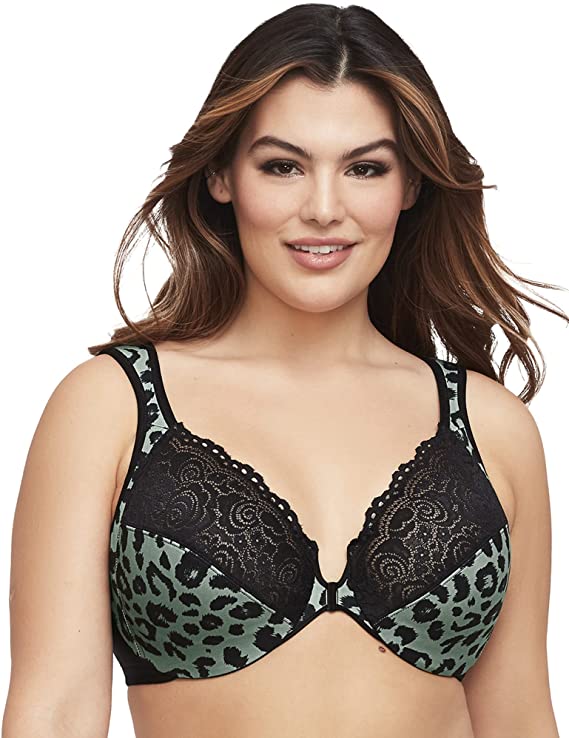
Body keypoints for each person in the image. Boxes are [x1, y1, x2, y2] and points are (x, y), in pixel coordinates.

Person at [3, 4, 565, 737]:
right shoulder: (110, 409)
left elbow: (519, 718)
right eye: (282, 166)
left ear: (410, 186)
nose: (323, 209)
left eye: (364, 168)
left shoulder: (492, 428)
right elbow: (52, 714)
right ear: (221, 176)